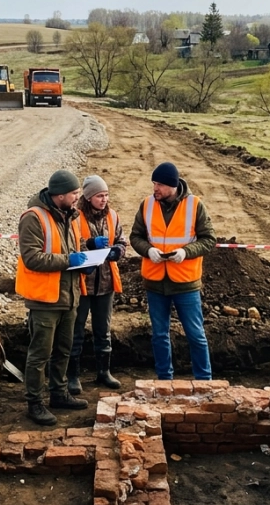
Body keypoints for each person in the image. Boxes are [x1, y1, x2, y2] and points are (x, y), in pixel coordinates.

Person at [16, 170, 91, 425]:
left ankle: (59, 393)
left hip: (68, 297)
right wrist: (68, 260)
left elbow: (72, 247)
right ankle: (34, 403)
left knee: (63, 350)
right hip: (45, 299)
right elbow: (33, 257)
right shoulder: (34, 218)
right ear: (60, 195)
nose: (78, 197)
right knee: (40, 354)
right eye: (74, 193)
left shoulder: (69, 216)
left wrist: (89, 251)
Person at [130, 162, 216, 381]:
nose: (155, 188)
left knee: (196, 335)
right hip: (155, 282)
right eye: (154, 183)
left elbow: (209, 240)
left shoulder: (195, 205)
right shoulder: (147, 204)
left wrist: (186, 252)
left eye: (159, 184)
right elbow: (135, 237)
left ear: (172, 185)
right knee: (159, 336)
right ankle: (164, 380)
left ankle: (204, 381)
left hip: (185, 282)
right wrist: (148, 250)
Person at [68, 175, 128, 394]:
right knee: (76, 331)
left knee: (103, 330)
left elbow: (122, 241)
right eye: (99, 196)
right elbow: (71, 245)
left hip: (105, 283)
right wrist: (90, 244)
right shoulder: (75, 217)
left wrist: (117, 251)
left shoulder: (112, 216)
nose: (104, 199)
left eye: (106, 195)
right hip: (83, 283)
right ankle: (73, 376)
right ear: (88, 197)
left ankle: (104, 372)